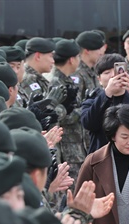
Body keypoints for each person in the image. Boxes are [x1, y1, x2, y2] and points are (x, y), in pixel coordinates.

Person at [81, 54, 129, 153]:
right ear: (99, 79)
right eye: (107, 72)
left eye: (116, 70)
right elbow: (89, 124)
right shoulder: (94, 100)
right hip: (103, 157)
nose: (113, 75)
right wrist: (107, 94)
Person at [49, 39, 87, 182]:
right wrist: (84, 109)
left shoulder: (67, 80)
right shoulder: (56, 82)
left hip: (75, 145)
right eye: (78, 57)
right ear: (71, 59)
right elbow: (59, 116)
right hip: (66, 148)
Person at [74, 31, 106, 101]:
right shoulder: (76, 72)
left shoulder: (94, 70)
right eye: (98, 49)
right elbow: (75, 105)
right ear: (87, 51)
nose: (101, 53)